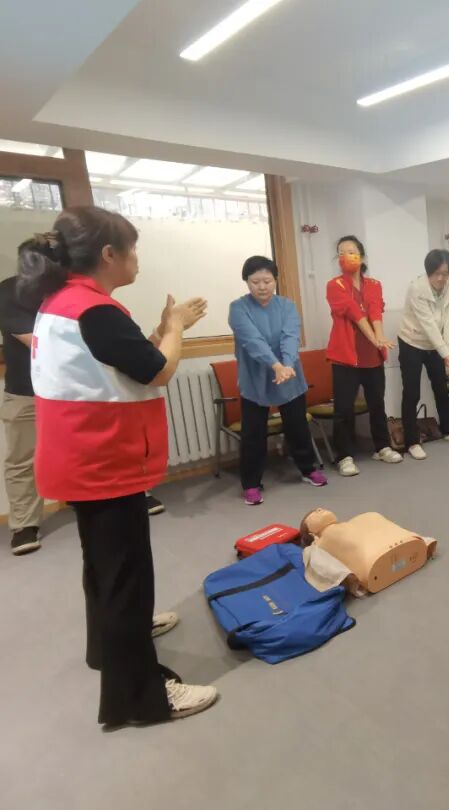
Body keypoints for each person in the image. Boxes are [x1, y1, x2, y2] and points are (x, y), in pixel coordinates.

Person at [20, 205, 218, 726]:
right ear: (109, 254)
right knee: (126, 574)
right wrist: (175, 327)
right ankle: (140, 699)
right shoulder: (93, 309)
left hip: (80, 459)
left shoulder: (63, 303)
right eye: (132, 250)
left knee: (104, 566)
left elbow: (125, 364)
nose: (137, 260)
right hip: (103, 463)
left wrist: (160, 330)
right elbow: (159, 372)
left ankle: (108, 646)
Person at [229, 256, 328, 505]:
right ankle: (251, 483)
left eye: (267, 281)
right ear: (246, 282)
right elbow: (252, 341)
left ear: (275, 280)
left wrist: (287, 365)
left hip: (288, 373)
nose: (262, 287)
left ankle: (308, 469)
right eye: (255, 282)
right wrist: (276, 366)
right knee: (253, 433)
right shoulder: (238, 308)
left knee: (297, 426)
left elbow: (290, 336)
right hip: (256, 376)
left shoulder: (287, 306)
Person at [325, 235, 401, 476]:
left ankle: (382, 446)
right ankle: (344, 456)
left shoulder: (374, 284)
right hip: (345, 356)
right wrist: (375, 338)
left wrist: (379, 337)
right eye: (341, 252)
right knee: (344, 409)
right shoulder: (334, 285)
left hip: (371, 356)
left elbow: (375, 311)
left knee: (377, 403)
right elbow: (354, 312)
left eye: (351, 251)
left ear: (362, 256)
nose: (345, 256)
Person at [398, 249, 449, 459]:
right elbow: (428, 324)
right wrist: (446, 354)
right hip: (412, 342)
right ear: (428, 271)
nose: (441, 278)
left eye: (445, 274)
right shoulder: (417, 288)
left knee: (441, 386)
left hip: (435, 345)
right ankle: (412, 442)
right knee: (411, 392)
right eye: (437, 273)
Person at [0, 276, 44, 555]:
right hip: (24, 391)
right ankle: (25, 525)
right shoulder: (8, 291)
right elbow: (37, 343)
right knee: (22, 460)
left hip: (70, 389)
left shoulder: (72, 286)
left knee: (92, 447)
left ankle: (90, 498)